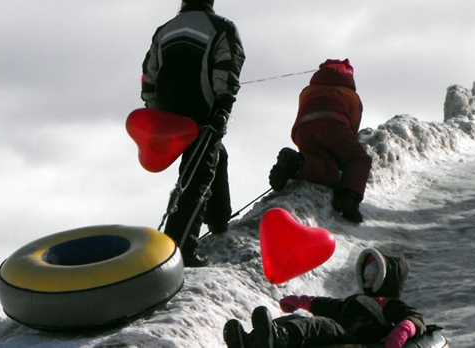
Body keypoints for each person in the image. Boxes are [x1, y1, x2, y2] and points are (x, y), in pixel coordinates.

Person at [141, 0, 245, 267]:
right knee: (198, 175)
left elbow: (149, 76)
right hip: (203, 113)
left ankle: (219, 218)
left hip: (168, 115)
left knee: (215, 155)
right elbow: (227, 69)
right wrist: (222, 109)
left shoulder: (165, 29)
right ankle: (180, 249)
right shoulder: (221, 28)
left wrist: (156, 116)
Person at [223, 248, 427, 348]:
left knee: (323, 325)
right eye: (366, 276)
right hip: (343, 332)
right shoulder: (356, 301)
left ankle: (280, 338)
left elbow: (413, 319)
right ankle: (255, 340)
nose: (367, 282)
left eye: (373, 278)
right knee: (299, 321)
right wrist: (301, 301)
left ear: (386, 280)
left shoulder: (389, 304)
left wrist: (399, 334)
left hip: (361, 341)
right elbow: (330, 306)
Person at [268, 59, 372, 223]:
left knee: (327, 171)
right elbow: (353, 128)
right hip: (333, 125)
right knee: (359, 159)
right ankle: (348, 198)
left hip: (303, 129)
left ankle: (297, 163)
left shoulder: (309, 90)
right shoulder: (350, 96)